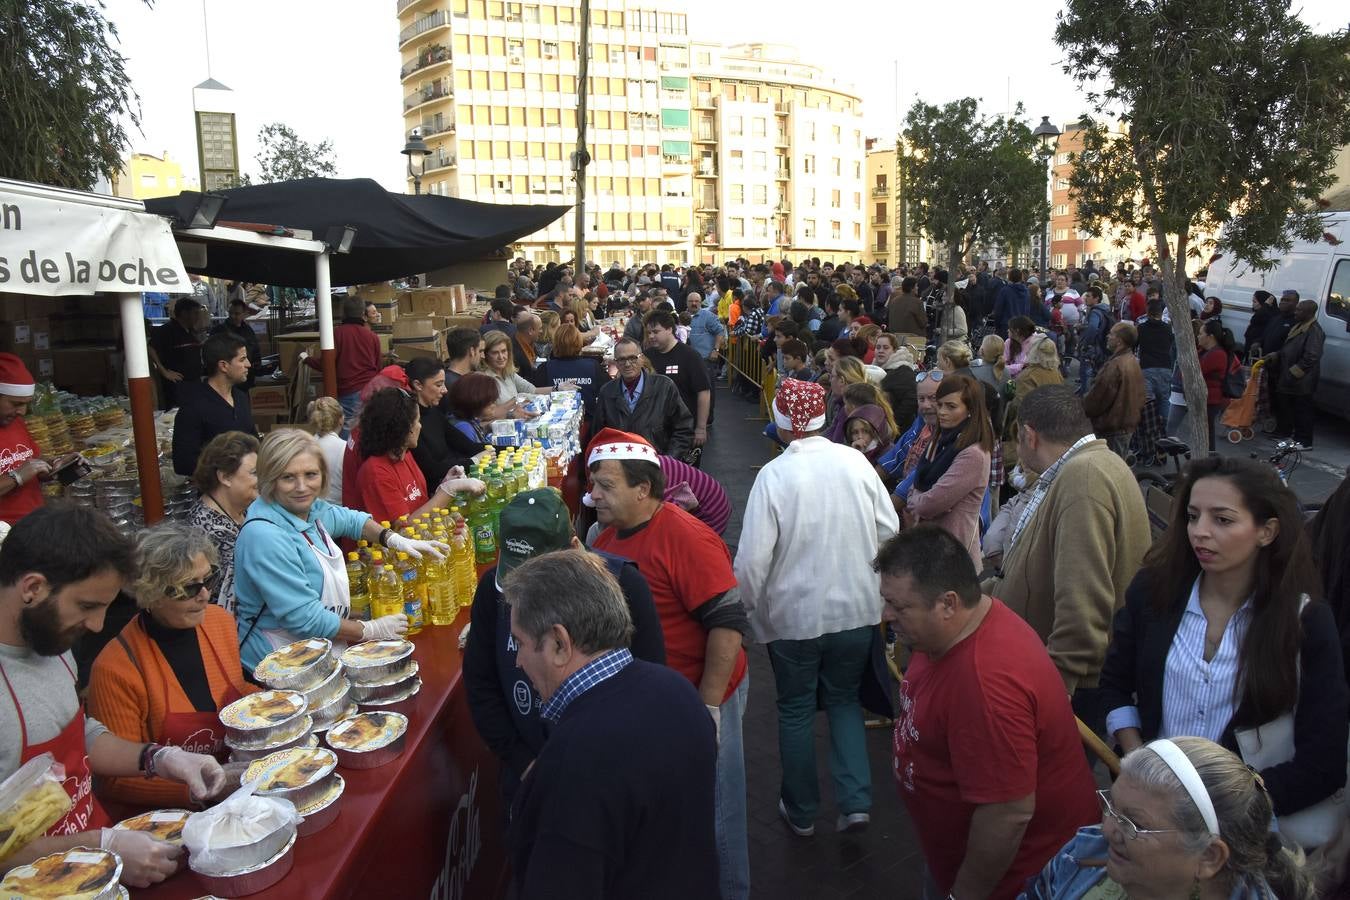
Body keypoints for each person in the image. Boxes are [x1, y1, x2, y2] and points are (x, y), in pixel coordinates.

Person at [1100, 457, 1349, 837]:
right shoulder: (1152, 595)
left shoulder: (1305, 622)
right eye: (1192, 516)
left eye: (1223, 520)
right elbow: (1115, 685)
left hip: (1247, 835)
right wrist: (1139, 758)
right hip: (1152, 819)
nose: (1200, 532)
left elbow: (1323, 761)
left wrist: (1226, 805)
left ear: (1267, 532)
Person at [0, 506, 226, 889]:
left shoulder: (50, 641)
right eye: (87, 606)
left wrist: (157, 758)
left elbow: (77, 734)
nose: (97, 626)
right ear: (32, 588)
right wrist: (101, 845)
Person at [880, 526, 1098, 900]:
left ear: (948, 603)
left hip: (1012, 882)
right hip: (954, 860)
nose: (886, 616)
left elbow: (1007, 814)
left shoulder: (985, 685)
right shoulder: (955, 629)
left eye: (900, 607)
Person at [588, 428, 750, 900]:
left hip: (701, 696)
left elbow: (728, 622)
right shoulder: (607, 536)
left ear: (644, 489)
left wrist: (710, 707)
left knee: (717, 814)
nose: (593, 495)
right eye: (593, 483)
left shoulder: (685, 536)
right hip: (659, 700)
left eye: (606, 486)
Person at [735, 379, 898, 837]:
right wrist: (880, 590)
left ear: (783, 423)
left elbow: (752, 560)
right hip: (856, 610)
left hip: (793, 617)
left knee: (796, 708)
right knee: (845, 701)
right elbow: (889, 529)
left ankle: (802, 810)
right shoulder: (855, 463)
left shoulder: (774, 476)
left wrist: (744, 612)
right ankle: (856, 802)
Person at [503, 550, 718, 899]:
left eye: (522, 642)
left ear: (559, 644)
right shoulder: (678, 691)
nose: (517, 659)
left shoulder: (573, 760)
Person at [463, 490, 666, 808]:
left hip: (606, 783)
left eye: (540, 578)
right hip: (527, 779)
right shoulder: (493, 591)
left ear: (574, 549)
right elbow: (481, 683)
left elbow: (649, 690)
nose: (523, 595)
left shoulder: (626, 586)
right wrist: (524, 762)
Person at [988, 384, 1149, 716]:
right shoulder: (1088, 466)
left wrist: (1057, 685)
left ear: (1028, 435)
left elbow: (1083, 597)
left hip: (1072, 689)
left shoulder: (1084, 477)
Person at [232, 429, 446, 671]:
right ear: (270, 480)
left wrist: (392, 538)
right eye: (288, 477)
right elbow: (305, 619)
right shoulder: (265, 536)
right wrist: (370, 630)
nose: (302, 487)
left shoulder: (308, 509)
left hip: (320, 646)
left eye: (311, 474)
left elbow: (349, 520)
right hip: (281, 662)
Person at [87, 524, 256, 809]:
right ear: (149, 593)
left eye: (208, 580)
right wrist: (198, 791)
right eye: (187, 588)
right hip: (176, 815)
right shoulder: (115, 669)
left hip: (241, 783)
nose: (204, 595)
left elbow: (235, 691)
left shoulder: (218, 621)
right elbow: (114, 780)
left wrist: (277, 699)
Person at [1021, 736, 1315, 900]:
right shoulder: (1083, 855)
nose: (1107, 829)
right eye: (1112, 807)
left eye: (1134, 824)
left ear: (1209, 857)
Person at [354, 388, 485, 525]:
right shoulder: (377, 473)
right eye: (418, 421)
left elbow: (421, 505)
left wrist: (444, 484)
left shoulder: (405, 455)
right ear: (404, 427)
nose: (420, 427)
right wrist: (449, 490)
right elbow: (403, 529)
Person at [899, 375, 993, 566]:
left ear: (970, 410)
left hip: (953, 554)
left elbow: (931, 503)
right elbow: (917, 481)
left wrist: (920, 502)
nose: (941, 412)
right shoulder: (940, 441)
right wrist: (923, 499)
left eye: (951, 407)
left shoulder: (973, 453)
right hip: (930, 545)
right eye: (940, 404)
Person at [185, 431, 258, 615]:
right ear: (225, 477)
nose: (263, 480)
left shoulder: (245, 508)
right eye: (255, 473)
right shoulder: (207, 529)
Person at [591, 337, 694, 457]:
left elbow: (684, 428)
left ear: (642, 359)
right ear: (616, 363)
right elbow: (598, 435)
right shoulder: (607, 392)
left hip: (657, 467)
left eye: (632, 358)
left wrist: (668, 461)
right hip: (620, 467)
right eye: (621, 359)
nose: (627, 364)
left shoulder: (664, 387)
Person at [171, 332, 256, 476]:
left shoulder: (241, 397)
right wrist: (228, 467)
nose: (248, 364)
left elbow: (252, 441)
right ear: (223, 365)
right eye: (242, 359)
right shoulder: (194, 407)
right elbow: (183, 464)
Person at [304, 296, 382, 436]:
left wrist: (306, 359)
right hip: (370, 389)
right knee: (368, 428)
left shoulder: (337, 333)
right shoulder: (372, 336)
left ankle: (346, 457)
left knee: (347, 428)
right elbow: (378, 367)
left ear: (344, 313)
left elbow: (325, 364)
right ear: (363, 314)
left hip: (349, 391)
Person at [643, 309, 713, 453]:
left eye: (656, 332)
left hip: (684, 431)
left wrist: (700, 428)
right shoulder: (646, 357)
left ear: (669, 329)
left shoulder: (690, 356)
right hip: (655, 431)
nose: (651, 336)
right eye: (649, 332)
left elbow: (704, 392)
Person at [1082, 321, 1146, 460]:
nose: (1108, 336)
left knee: (1107, 474)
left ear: (1120, 340)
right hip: (1124, 427)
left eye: (1111, 334)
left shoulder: (1116, 365)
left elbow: (1096, 400)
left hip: (1112, 430)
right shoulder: (1132, 360)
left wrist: (1082, 408)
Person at [1266, 299, 1324, 449]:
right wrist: (1277, 355)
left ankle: (1304, 441)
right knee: (1289, 408)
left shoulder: (1314, 331)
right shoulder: (1299, 326)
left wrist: (1294, 373)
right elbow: (1289, 348)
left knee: (1303, 411)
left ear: (1309, 313)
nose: (1296, 312)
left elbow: (1311, 356)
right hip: (1290, 377)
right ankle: (1289, 436)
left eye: (1299, 310)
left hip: (1302, 380)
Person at [0, 354, 49, 525]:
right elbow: (22, 472)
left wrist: (52, 467)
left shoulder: (15, 422)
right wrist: (16, 477)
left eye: (26, 404)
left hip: (33, 523)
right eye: (15, 404)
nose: (22, 411)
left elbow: (30, 463)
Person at [538, 324, 605, 421]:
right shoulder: (593, 366)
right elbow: (609, 391)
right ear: (579, 342)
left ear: (555, 343)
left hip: (556, 424)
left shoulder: (544, 368)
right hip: (588, 424)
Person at [149, 298, 205, 410]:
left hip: (195, 382)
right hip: (178, 385)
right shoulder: (166, 330)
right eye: (195, 313)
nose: (197, 316)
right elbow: (150, 348)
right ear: (184, 313)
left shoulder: (191, 331)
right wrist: (164, 371)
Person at [482, 329, 552, 409]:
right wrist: (517, 401)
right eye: (495, 353)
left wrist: (558, 388)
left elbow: (532, 390)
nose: (501, 357)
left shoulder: (508, 372)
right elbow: (489, 415)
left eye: (503, 351)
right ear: (485, 355)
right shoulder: (484, 379)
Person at [209, 298, 261, 390]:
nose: (233, 316)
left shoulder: (248, 330)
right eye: (230, 313)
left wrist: (257, 365)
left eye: (236, 313)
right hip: (228, 377)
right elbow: (213, 353)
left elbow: (255, 348)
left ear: (244, 314)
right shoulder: (219, 331)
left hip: (247, 376)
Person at [1137, 298, 1175, 413]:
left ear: (1147, 311)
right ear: (1161, 312)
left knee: (1147, 402)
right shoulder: (1168, 329)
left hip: (1147, 367)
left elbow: (1134, 345)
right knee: (1164, 400)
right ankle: (1165, 427)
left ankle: (1149, 427)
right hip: (1165, 367)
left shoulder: (1141, 328)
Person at [873, 333, 917, 429]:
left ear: (894, 350)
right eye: (878, 347)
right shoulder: (873, 370)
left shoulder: (903, 371)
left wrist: (893, 423)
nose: (881, 351)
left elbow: (911, 401)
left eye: (886, 348)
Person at [307, 397, 346, 503]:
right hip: (339, 511)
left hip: (309, 508)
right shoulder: (344, 448)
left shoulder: (305, 446)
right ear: (341, 420)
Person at [686, 292, 727, 380]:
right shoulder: (682, 317)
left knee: (708, 388)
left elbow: (720, 332)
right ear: (686, 302)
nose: (694, 303)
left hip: (705, 360)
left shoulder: (708, 316)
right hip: (687, 359)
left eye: (696, 301)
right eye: (691, 301)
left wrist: (716, 350)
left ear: (701, 303)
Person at [992, 268, 1031, 338]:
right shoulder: (1026, 291)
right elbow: (1028, 309)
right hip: (1022, 326)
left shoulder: (1005, 291)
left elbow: (998, 310)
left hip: (1006, 326)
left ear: (1009, 277)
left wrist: (997, 325)